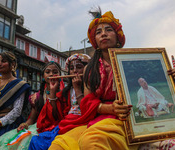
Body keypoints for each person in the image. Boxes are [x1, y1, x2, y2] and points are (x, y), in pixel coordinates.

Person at [49, 7, 132, 150]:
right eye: (98, 32)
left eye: (108, 30)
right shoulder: (90, 68)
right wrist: (109, 108)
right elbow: (88, 102)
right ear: (95, 41)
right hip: (98, 117)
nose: (104, 34)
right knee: (58, 145)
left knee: (91, 142)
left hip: (126, 118)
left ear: (118, 36)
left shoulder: (131, 62)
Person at [0, 61, 62, 149]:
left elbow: (59, 116)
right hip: (38, 127)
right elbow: (32, 119)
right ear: (43, 76)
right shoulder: (37, 97)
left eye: (55, 72)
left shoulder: (64, 95)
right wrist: (25, 125)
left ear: (61, 76)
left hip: (56, 129)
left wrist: (53, 93)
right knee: (10, 139)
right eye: (48, 72)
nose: (51, 74)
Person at [28, 53, 90, 150]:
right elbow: (55, 115)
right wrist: (53, 92)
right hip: (65, 123)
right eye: (71, 68)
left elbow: (87, 109)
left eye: (79, 67)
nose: (74, 71)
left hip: (82, 124)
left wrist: (77, 88)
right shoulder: (66, 91)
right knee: (36, 141)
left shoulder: (91, 88)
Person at [0, 51, 31, 141]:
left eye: (3, 61)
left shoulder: (20, 85)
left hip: (9, 125)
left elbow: (17, 111)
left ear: (12, 64)